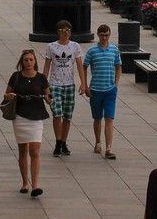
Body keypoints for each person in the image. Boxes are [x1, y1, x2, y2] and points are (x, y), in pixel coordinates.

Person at [4, 49, 52, 197]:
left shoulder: (41, 78)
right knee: (23, 150)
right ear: (22, 62)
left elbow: (48, 95)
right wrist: (10, 96)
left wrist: (48, 98)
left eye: (31, 60)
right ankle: (25, 182)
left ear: (35, 61)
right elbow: (6, 94)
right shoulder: (16, 76)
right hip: (20, 116)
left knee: (35, 151)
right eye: (26, 60)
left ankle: (35, 185)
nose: (29, 62)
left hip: (37, 116)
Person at [45, 21, 87, 157]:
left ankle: (63, 141)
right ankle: (58, 142)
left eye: (68, 30)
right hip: (55, 84)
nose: (66, 32)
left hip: (69, 84)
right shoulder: (51, 47)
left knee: (67, 115)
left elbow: (80, 65)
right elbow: (47, 67)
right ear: (58, 32)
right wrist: (43, 86)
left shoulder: (75, 46)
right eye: (63, 30)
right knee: (57, 113)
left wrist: (83, 83)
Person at [84, 24, 122, 159]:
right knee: (97, 118)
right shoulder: (92, 51)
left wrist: (116, 84)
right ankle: (98, 142)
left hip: (110, 89)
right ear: (98, 35)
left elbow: (118, 66)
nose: (104, 37)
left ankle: (109, 147)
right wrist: (85, 85)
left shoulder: (114, 50)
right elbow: (84, 66)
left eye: (107, 35)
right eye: (102, 35)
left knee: (109, 118)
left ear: (109, 35)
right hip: (95, 89)